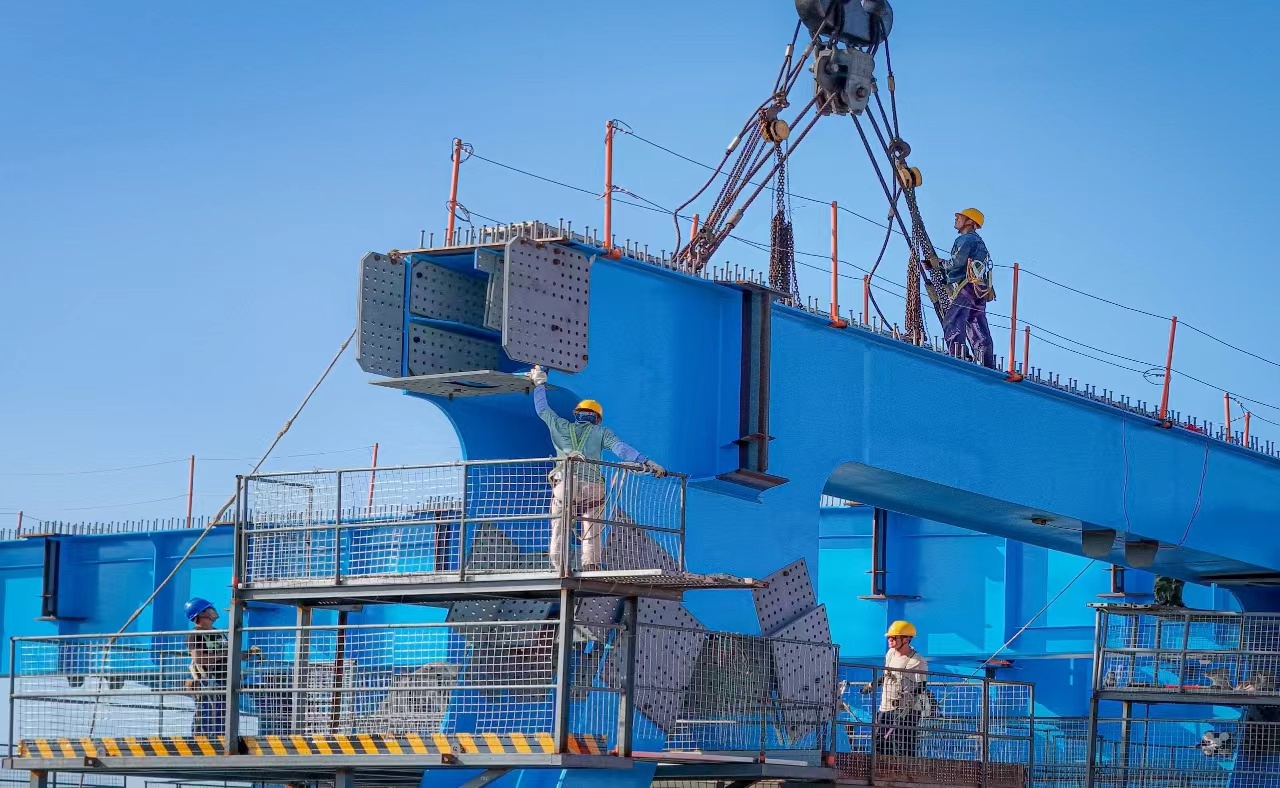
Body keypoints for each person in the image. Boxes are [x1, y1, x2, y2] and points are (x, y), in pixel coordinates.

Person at [528, 366, 665, 573]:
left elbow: (542, 409)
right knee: (592, 528)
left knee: (559, 528)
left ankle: (559, 566)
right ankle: (590, 565)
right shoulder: (601, 433)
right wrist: (648, 462)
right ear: (597, 419)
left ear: (576, 414)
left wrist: (539, 384)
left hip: (565, 485)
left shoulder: (560, 425)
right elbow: (621, 449)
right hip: (592, 487)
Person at [184, 597, 260, 737]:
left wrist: (249, 653)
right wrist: (225, 654)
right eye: (209, 609)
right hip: (209, 682)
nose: (213, 611)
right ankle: (201, 743)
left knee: (224, 717)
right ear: (201, 613)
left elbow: (231, 653)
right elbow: (199, 659)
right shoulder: (196, 635)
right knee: (207, 716)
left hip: (226, 681)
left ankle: (222, 741)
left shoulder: (217, 633)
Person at [936, 208, 996, 369]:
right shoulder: (979, 242)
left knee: (953, 322)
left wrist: (939, 264)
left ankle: (958, 358)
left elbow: (957, 262)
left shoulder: (966, 239)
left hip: (967, 288)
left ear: (970, 221)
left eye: (960, 217)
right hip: (979, 289)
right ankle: (987, 364)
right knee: (977, 326)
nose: (956, 219)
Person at [863, 619, 928, 757]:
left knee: (902, 747)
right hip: (885, 707)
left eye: (893, 637)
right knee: (880, 744)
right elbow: (886, 675)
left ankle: (905, 770)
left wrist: (906, 705)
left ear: (906, 639)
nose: (890, 640)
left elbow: (921, 686)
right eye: (889, 637)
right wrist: (872, 685)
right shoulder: (890, 654)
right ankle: (880, 769)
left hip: (906, 711)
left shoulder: (917, 661)